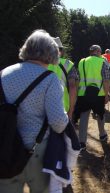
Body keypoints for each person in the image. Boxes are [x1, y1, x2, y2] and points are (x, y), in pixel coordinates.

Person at [0, 30, 69, 192]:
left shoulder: (4, 73)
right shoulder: (50, 79)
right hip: (36, 152)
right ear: (51, 53)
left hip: (5, 150)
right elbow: (58, 124)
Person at [76, 45, 110, 150]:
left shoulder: (82, 61)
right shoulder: (102, 62)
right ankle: (102, 134)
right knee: (100, 115)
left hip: (83, 94)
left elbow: (78, 78)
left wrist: (77, 93)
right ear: (98, 51)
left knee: (84, 117)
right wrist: (106, 94)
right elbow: (106, 80)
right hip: (98, 95)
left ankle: (81, 142)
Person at [48, 37, 78, 119]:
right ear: (60, 51)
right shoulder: (68, 64)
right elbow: (72, 87)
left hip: (41, 108)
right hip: (62, 107)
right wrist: (71, 110)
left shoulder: (40, 63)